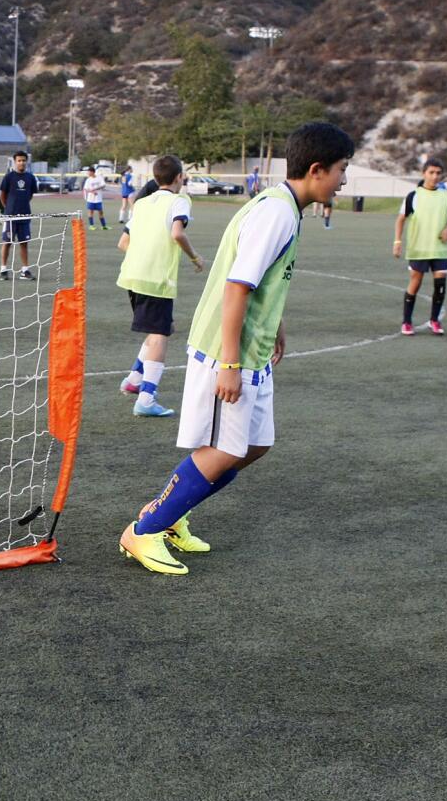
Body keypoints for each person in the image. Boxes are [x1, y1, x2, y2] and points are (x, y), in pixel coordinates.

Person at [118, 122, 354, 574]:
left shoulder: (286, 207)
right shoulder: (277, 213)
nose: (344, 180)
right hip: (230, 353)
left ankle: (171, 518)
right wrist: (228, 362)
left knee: (255, 445)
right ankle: (145, 528)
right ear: (318, 168)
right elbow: (236, 288)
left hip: (255, 351)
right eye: (342, 169)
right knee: (224, 450)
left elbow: (261, 279)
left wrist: (276, 323)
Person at [115, 154, 204, 418]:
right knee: (159, 336)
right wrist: (195, 257)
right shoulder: (180, 200)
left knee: (160, 330)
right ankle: (146, 398)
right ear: (179, 178)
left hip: (131, 276)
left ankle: (133, 380)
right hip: (155, 279)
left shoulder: (141, 204)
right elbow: (178, 232)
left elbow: (123, 243)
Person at [393, 158, 447, 336]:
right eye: (431, 172)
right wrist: (397, 241)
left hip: (440, 248)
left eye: (438, 173)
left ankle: (434, 320)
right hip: (419, 248)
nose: (435, 176)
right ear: (424, 174)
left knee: (440, 283)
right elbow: (401, 219)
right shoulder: (414, 196)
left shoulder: (446, 196)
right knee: (415, 283)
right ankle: (407, 321)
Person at [0, 150, 38, 280]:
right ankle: (3, 270)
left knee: (24, 243)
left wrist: (22, 205)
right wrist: (7, 208)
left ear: (27, 162)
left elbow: (30, 195)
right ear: (15, 162)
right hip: (10, 216)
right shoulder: (9, 177)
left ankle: (24, 271)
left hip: (25, 215)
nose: (21, 163)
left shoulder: (30, 177)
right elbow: (2, 194)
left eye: (24, 160)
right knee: (7, 242)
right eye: (19, 160)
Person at [83, 166, 108, 230]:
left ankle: (104, 226)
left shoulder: (99, 178)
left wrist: (95, 188)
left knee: (101, 212)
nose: (88, 173)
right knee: (90, 212)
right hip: (90, 199)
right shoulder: (88, 180)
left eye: (89, 172)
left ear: (93, 172)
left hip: (98, 199)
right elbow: (86, 189)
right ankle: (91, 226)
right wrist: (92, 191)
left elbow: (103, 185)